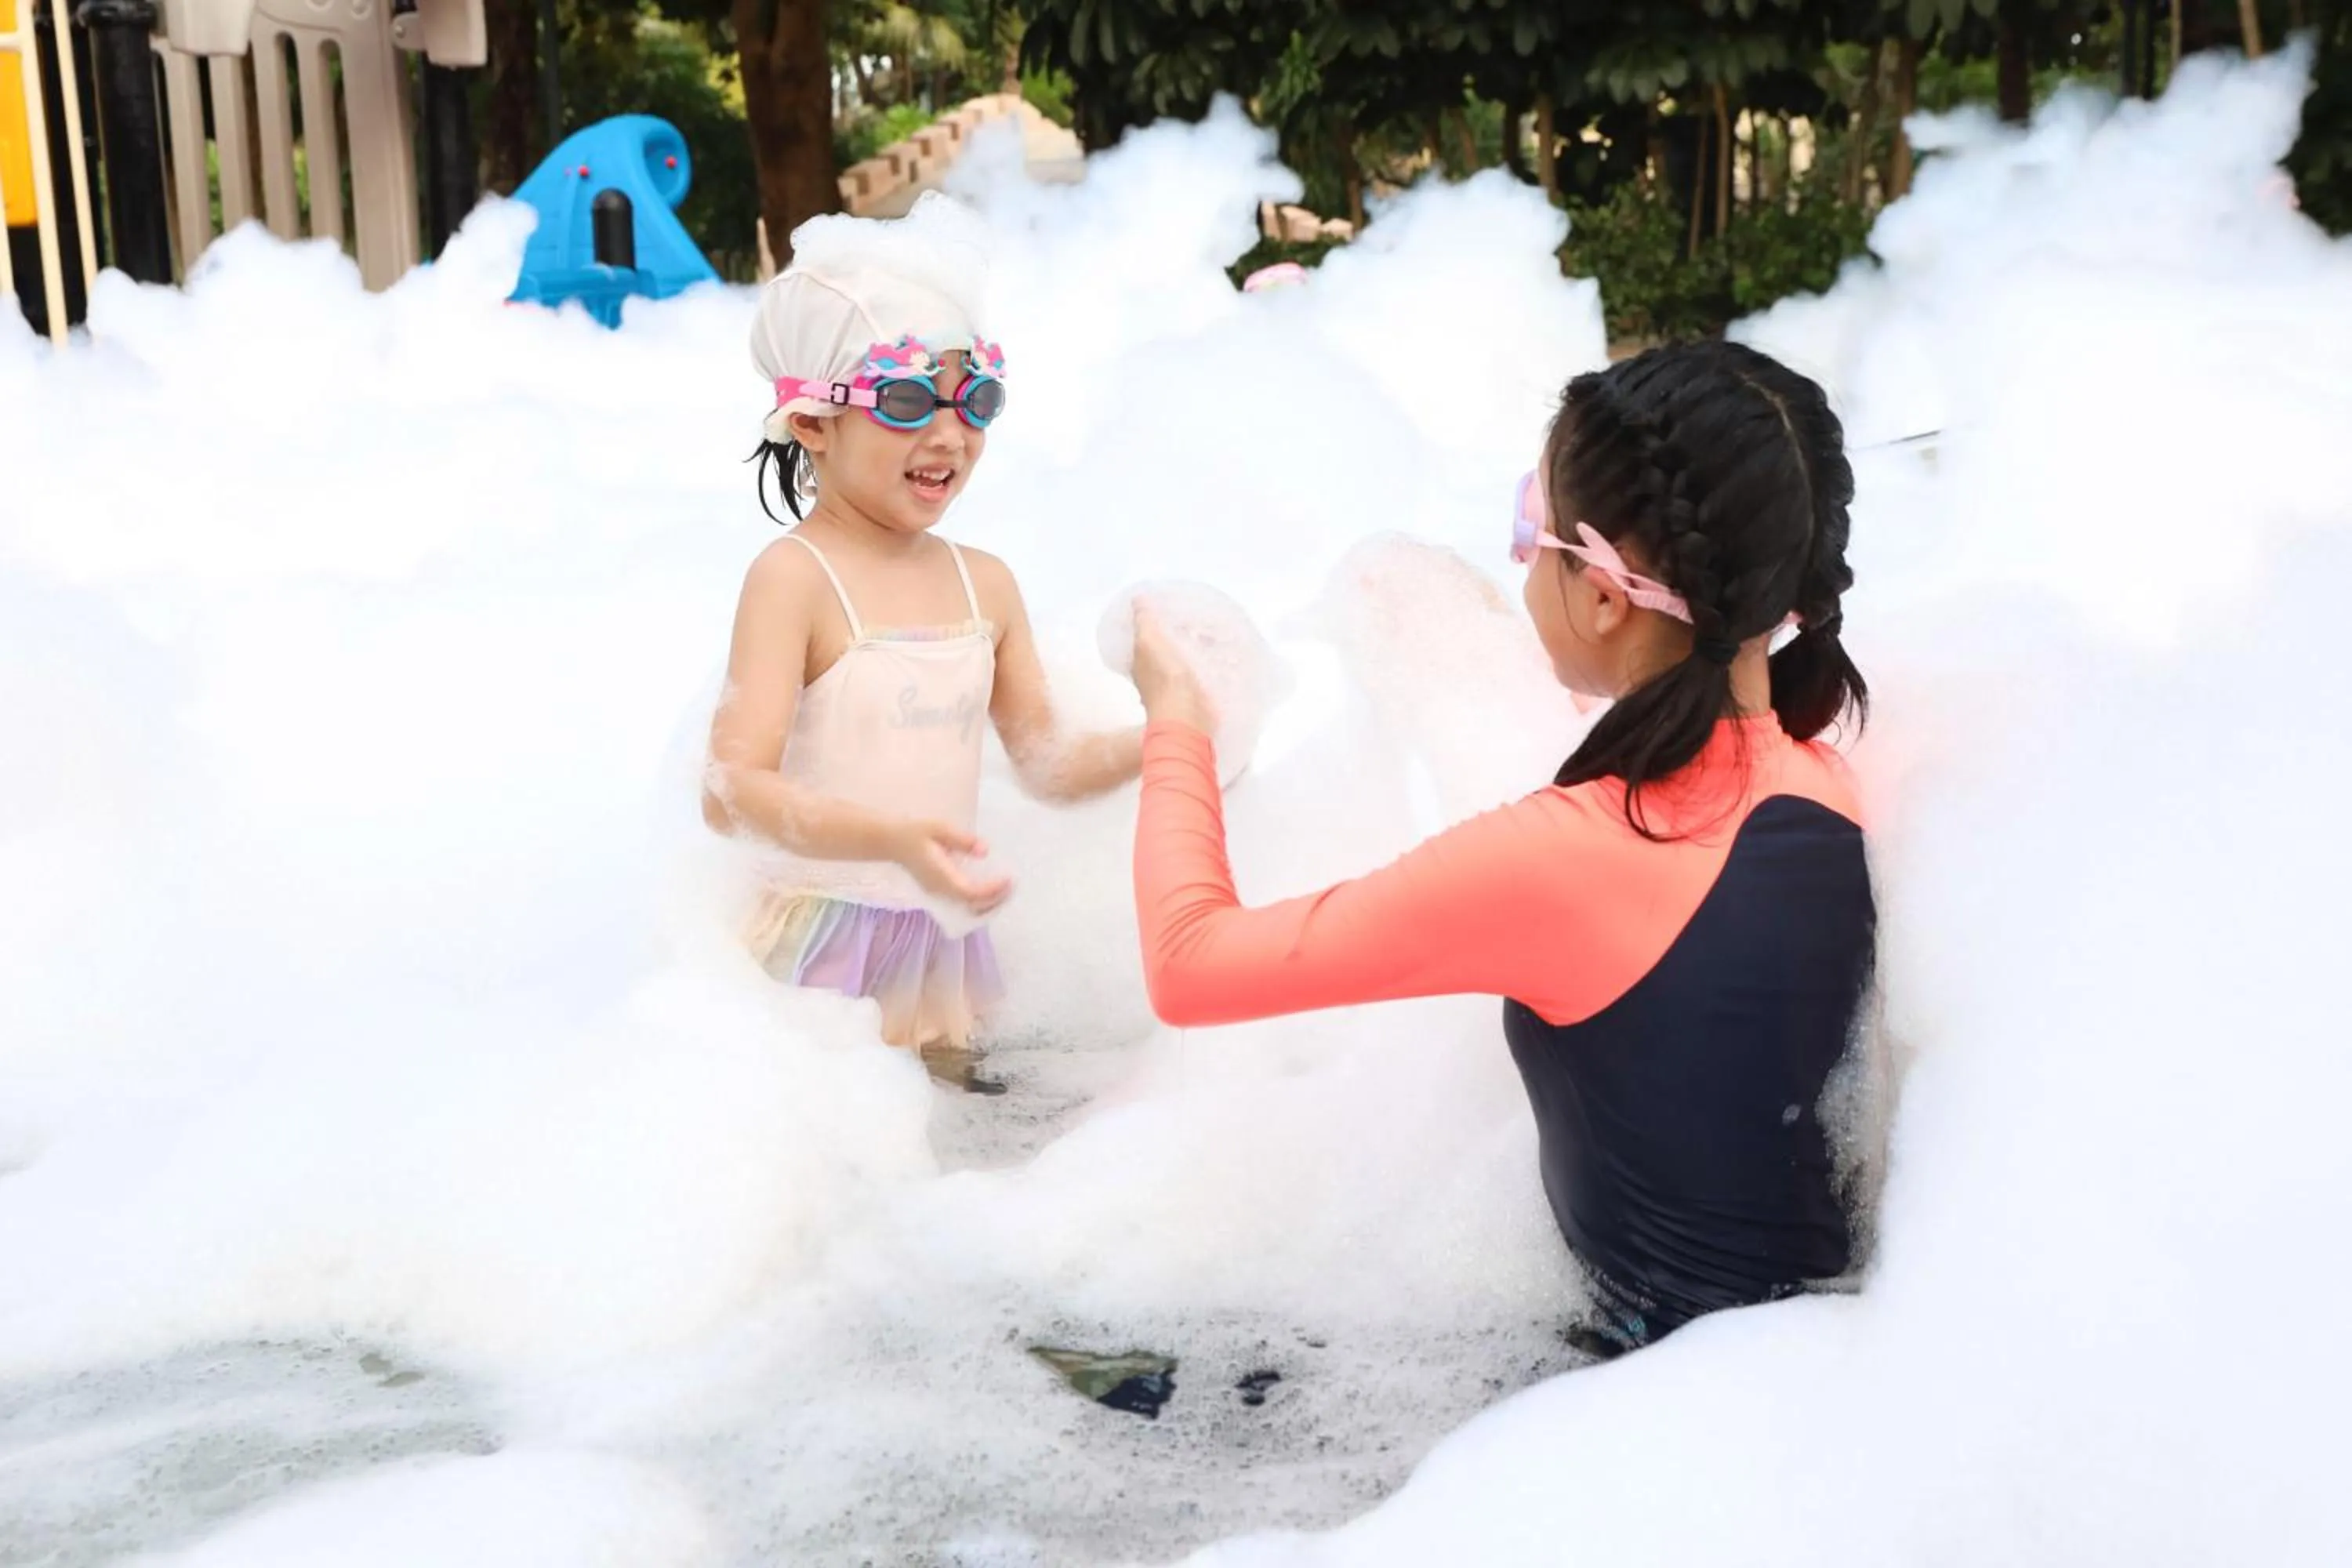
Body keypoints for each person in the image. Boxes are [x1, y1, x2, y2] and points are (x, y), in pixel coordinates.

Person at [1127, 340, 1878, 1353]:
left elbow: (1188, 965)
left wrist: (1177, 719)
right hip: (1805, 1375)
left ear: (1609, 595)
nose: (1521, 562)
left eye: (1532, 529)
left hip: (1640, 1382)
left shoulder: (1570, 854)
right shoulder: (1828, 784)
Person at [704, 201, 1142, 1088]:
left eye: (975, 398)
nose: (951, 433)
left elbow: (1047, 761)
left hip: (943, 943)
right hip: (817, 954)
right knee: (847, 1149)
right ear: (814, 422)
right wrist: (890, 840)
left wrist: (1167, 739)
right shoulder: (793, 579)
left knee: (943, 1152)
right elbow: (730, 790)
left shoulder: (986, 582)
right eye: (907, 400)